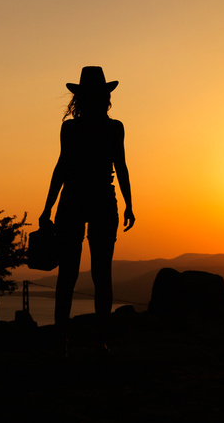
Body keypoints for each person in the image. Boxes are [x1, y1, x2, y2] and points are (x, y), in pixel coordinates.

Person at [39, 66, 135, 358]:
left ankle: (62, 342)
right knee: (100, 274)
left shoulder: (71, 128)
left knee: (67, 275)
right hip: (103, 200)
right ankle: (99, 342)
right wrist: (130, 203)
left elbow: (62, 168)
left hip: (74, 201)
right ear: (105, 96)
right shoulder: (113, 127)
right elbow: (120, 167)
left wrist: (48, 207)